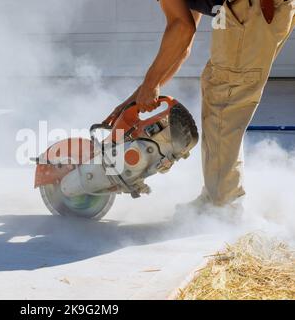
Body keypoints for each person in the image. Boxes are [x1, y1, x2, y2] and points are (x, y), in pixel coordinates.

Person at [115, 0, 294, 219]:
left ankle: (224, 206)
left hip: (252, 9)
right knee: (217, 87)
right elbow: (183, 42)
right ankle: (216, 197)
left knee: (225, 100)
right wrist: (144, 92)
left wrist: (150, 86)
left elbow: (182, 28)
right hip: (254, 9)